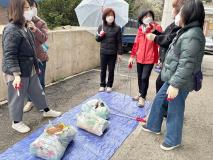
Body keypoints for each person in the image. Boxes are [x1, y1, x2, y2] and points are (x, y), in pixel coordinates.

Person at [142, 0, 205, 151]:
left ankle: (173, 140)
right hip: (172, 78)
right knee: (159, 100)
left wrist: (176, 85)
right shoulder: (186, 31)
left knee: (175, 109)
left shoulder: (193, 35)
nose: (178, 15)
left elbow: (187, 63)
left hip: (180, 81)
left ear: (188, 14)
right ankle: (153, 125)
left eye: (181, 12)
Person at [2, 0, 62, 133]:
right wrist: (16, 75)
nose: (29, 11)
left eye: (29, 7)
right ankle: (16, 122)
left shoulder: (26, 26)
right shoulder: (11, 29)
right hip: (16, 72)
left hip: (29, 68)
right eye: (26, 8)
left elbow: (33, 49)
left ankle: (46, 110)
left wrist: (36, 65)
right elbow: (10, 54)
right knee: (17, 97)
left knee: (37, 92)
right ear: (17, 10)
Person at [146, 0, 185, 117]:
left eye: (174, 9)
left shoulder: (180, 28)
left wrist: (154, 37)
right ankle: (163, 110)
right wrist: (155, 32)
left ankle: (164, 111)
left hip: (172, 64)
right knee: (161, 85)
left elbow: (168, 40)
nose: (172, 11)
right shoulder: (174, 24)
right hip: (166, 61)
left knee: (163, 87)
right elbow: (164, 35)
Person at [128, 10, 162, 107]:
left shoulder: (157, 27)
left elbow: (161, 40)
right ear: (142, 18)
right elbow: (136, 43)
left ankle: (143, 97)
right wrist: (132, 56)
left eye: (149, 16)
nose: (148, 17)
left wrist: (159, 58)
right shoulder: (140, 28)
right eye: (145, 16)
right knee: (139, 77)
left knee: (144, 77)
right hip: (139, 57)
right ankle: (140, 93)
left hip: (150, 58)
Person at [24, 0, 49, 112]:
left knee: (40, 81)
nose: (30, 10)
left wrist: (35, 29)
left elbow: (44, 38)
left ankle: (40, 101)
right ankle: (30, 101)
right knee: (29, 82)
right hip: (27, 59)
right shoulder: (20, 23)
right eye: (27, 7)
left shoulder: (40, 23)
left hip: (39, 58)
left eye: (32, 7)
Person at [96, 8, 122, 93]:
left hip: (112, 53)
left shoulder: (117, 28)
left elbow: (119, 41)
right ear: (104, 17)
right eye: (108, 15)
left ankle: (109, 85)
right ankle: (102, 85)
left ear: (114, 17)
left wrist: (120, 53)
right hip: (103, 52)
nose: (110, 17)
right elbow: (97, 39)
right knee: (103, 69)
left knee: (111, 70)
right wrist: (100, 35)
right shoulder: (101, 26)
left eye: (112, 15)